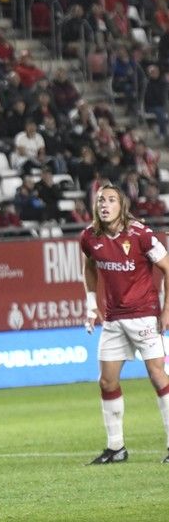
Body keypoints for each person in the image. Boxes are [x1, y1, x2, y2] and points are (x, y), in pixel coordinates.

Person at [81, 183, 169, 465]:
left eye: (110, 200)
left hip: (144, 315)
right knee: (107, 381)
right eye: (100, 200)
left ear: (122, 206)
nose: (104, 205)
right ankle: (116, 448)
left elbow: (167, 268)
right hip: (115, 319)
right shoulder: (90, 237)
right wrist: (92, 304)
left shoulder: (141, 235)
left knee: (158, 376)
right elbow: (90, 266)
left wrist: (167, 310)